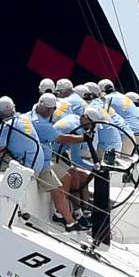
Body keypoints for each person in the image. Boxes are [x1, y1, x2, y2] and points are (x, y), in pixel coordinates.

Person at [29, 93, 88, 230]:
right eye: (52, 110)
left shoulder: (35, 111)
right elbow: (62, 139)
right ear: (49, 110)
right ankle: (69, 221)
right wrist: (83, 139)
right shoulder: (40, 123)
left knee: (66, 176)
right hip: (39, 164)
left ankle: (64, 213)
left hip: (47, 161)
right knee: (59, 189)